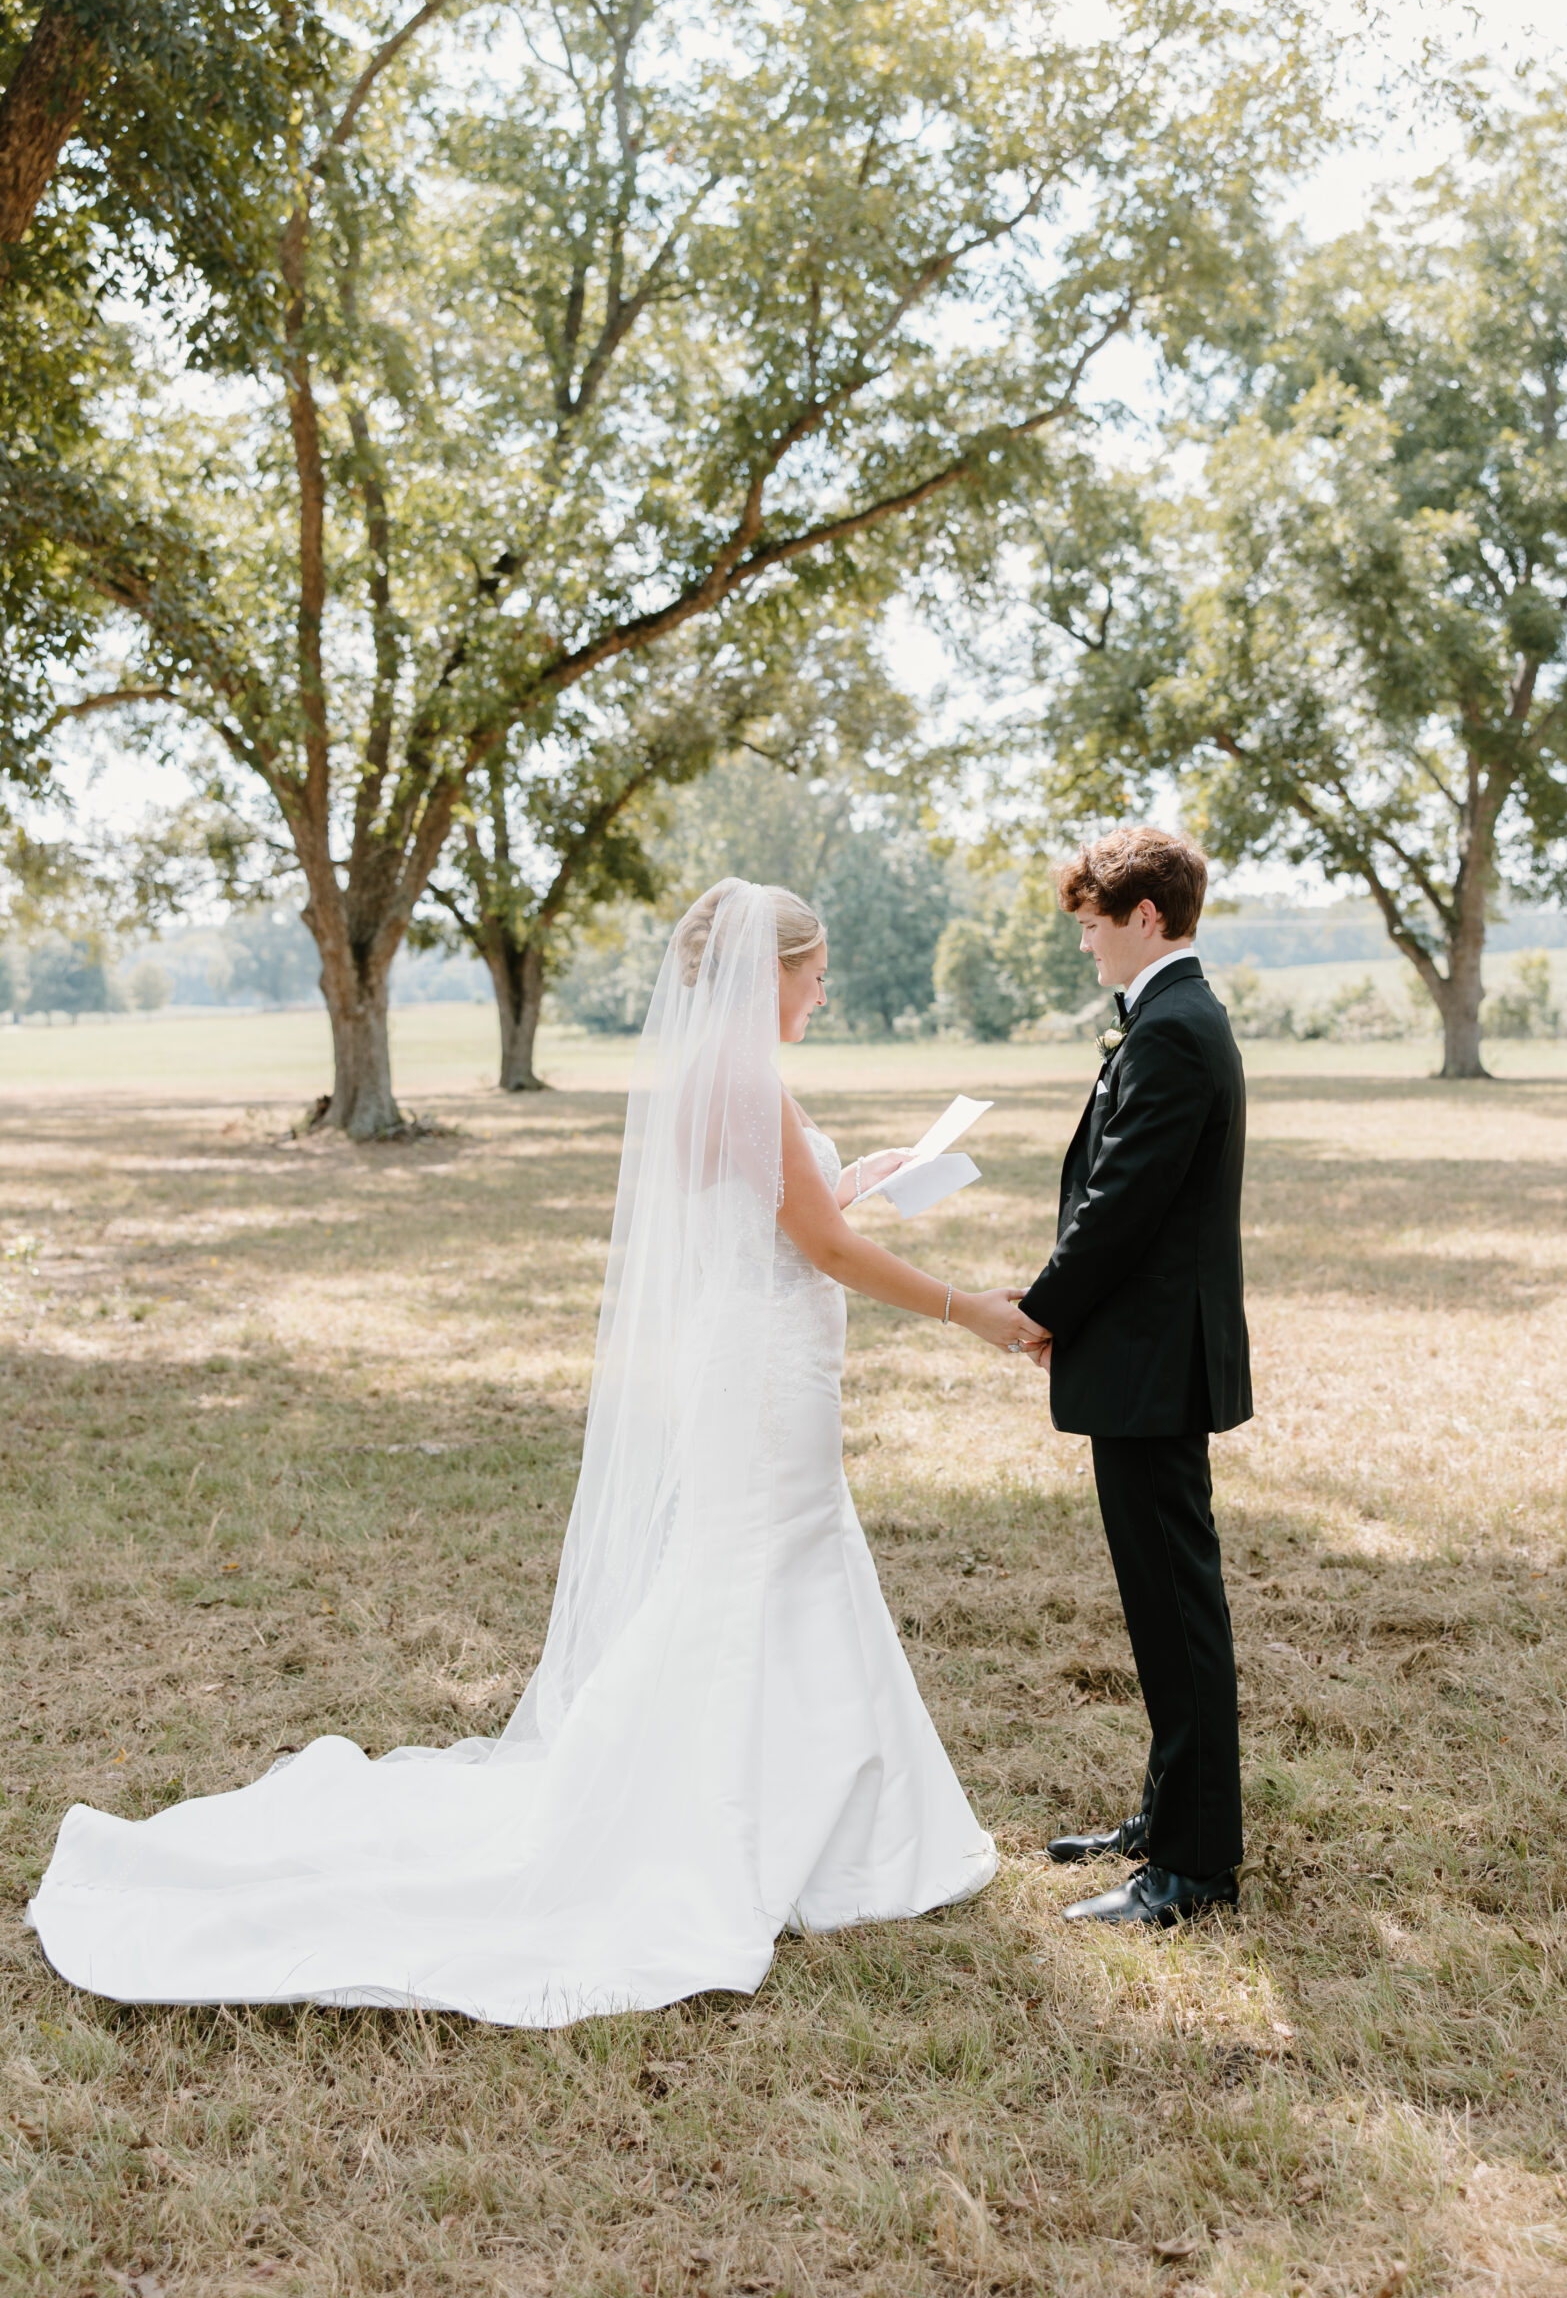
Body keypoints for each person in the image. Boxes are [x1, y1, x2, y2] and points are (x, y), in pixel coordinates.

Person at [28, 881, 1031, 2027]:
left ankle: (825, 1821)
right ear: (773, 970)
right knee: (759, 1567)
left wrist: (856, 1179)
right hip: (761, 1382)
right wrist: (973, 1310)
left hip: (761, 1369)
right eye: (814, 971)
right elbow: (820, 1248)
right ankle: (760, 1826)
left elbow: (789, 1214)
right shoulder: (742, 1077)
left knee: (771, 1569)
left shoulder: (728, 1077)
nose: (823, 987)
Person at [1015, 827, 1252, 1931]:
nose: (1086, 946)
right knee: (1159, 1607)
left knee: (1179, 1610)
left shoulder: (1175, 1029)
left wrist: (1039, 1308)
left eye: (1093, 924)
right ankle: (1167, 1815)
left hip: (1155, 1365)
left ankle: (1195, 1866)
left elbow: (1123, 1202)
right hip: (1146, 1361)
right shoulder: (1168, 1019)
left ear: (1144, 915)